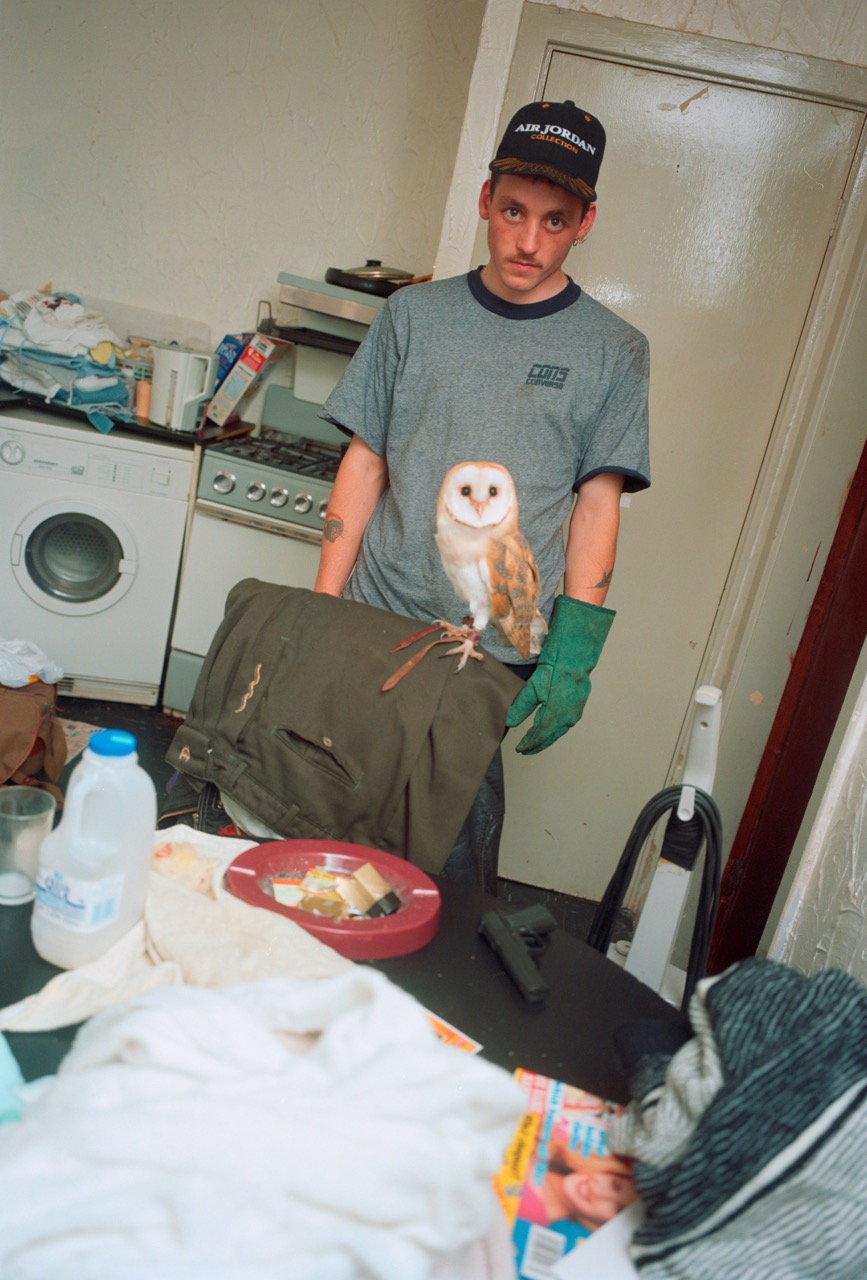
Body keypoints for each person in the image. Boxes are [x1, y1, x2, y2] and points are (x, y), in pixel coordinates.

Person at [314, 99, 650, 888]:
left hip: (489, 651)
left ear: (585, 223)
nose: (528, 241)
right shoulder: (413, 316)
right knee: (325, 827)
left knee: (438, 867)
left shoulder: (614, 352)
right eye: (511, 213)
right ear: (483, 201)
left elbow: (597, 505)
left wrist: (572, 652)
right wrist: (321, 608)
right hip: (374, 617)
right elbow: (366, 463)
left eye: (555, 221)